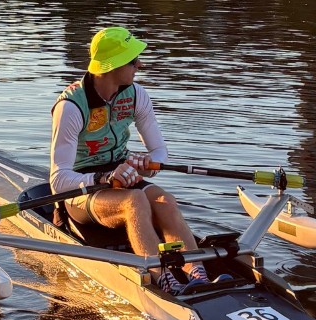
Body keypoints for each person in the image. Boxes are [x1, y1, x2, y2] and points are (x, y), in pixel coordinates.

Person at [50, 26, 209, 297]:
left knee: (165, 200)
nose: (140, 64)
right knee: (134, 201)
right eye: (133, 60)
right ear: (112, 66)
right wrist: (101, 179)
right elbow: (58, 179)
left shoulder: (136, 95)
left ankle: (197, 273)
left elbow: (159, 150)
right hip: (81, 189)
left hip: (121, 176)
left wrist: (150, 163)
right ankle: (162, 279)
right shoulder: (71, 107)